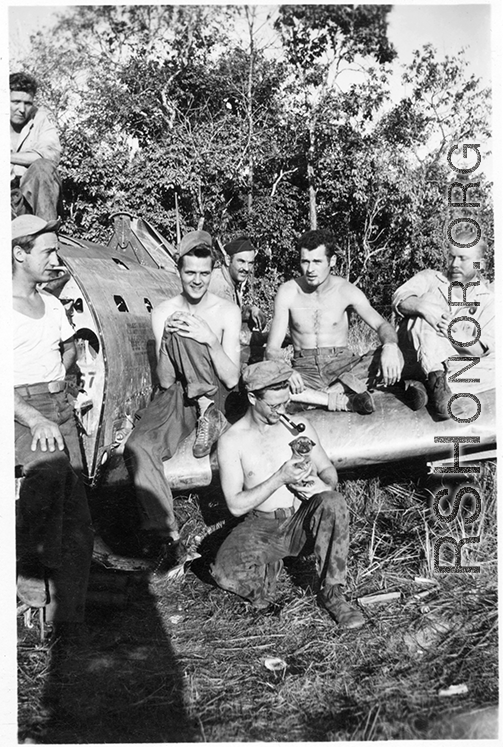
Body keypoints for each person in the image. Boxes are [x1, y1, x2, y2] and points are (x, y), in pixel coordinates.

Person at [211, 360, 365, 629]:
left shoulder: (298, 425)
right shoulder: (231, 441)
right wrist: (280, 478)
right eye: (274, 405)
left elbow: (328, 469)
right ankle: (265, 581)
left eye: (285, 403)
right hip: (261, 525)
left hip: (302, 520)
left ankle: (333, 595)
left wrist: (324, 485)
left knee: (333, 502)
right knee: (223, 572)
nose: (281, 411)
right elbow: (235, 506)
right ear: (252, 398)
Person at [125, 230, 241, 558]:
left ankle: (210, 412)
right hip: (178, 393)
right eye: (190, 272)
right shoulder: (163, 312)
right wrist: (168, 343)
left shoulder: (227, 311)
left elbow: (232, 378)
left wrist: (209, 339)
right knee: (138, 445)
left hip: (217, 391)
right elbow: (163, 380)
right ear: (178, 270)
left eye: (205, 274)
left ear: (213, 271)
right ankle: (164, 534)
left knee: (193, 333)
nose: (197, 281)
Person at [13, 215, 93, 637]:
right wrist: (34, 415)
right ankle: (29, 586)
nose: (54, 258)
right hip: (19, 410)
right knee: (48, 478)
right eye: (46, 250)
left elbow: (68, 347)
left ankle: (65, 620)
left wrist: (60, 374)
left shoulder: (52, 304)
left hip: (56, 404)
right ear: (18, 253)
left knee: (79, 515)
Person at [265, 229, 416, 414]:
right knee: (264, 382)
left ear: (332, 261)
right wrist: (284, 370)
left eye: (317, 262)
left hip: (343, 366)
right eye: (305, 262)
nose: (310, 270)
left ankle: (318, 397)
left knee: (398, 353)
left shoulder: (345, 290)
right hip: (304, 370)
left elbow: (381, 325)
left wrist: (391, 346)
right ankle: (340, 398)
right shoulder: (288, 291)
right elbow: (272, 349)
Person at [392, 232, 494, 419]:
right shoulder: (431, 278)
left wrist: (454, 334)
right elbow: (399, 299)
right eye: (452, 256)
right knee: (427, 304)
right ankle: (434, 377)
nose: (454, 264)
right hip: (411, 353)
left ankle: (424, 384)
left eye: (462, 258)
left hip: (453, 364)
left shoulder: (487, 301)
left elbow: (482, 349)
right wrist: (424, 307)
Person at [10, 72, 62, 220]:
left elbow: (51, 155)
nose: (22, 109)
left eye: (27, 103)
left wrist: (8, 157)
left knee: (42, 167)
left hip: (29, 202)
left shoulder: (40, 118)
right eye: (16, 101)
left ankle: (46, 234)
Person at [209, 236, 266, 331]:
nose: (247, 268)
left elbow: (234, 312)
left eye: (250, 263)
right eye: (241, 262)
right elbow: (230, 336)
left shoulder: (228, 279)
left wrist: (250, 310)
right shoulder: (221, 288)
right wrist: (267, 337)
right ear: (228, 260)